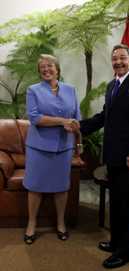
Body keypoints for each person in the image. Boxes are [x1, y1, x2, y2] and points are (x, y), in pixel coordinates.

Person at [80, 44, 129, 268]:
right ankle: (115, 242)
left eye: (122, 58)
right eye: (114, 59)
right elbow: (106, 116)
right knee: (117, 202)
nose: (118, 62)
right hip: (113, 156)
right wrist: (80, 126)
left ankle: (125, 252)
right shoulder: (113, 84)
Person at [23, 54, 80, 244]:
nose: (46, 69)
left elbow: (76, 118)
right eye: (42, 67)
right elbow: (35, 118)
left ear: (57, 69)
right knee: (35, 186)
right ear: (39, 72)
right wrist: (62, 121)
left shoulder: (71, 90)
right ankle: (31, 224)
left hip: (63, 147)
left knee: (61, 188)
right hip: (38, 147)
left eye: (50, 66)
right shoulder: (33, 90)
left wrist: (74, 127)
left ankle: (61, 223)